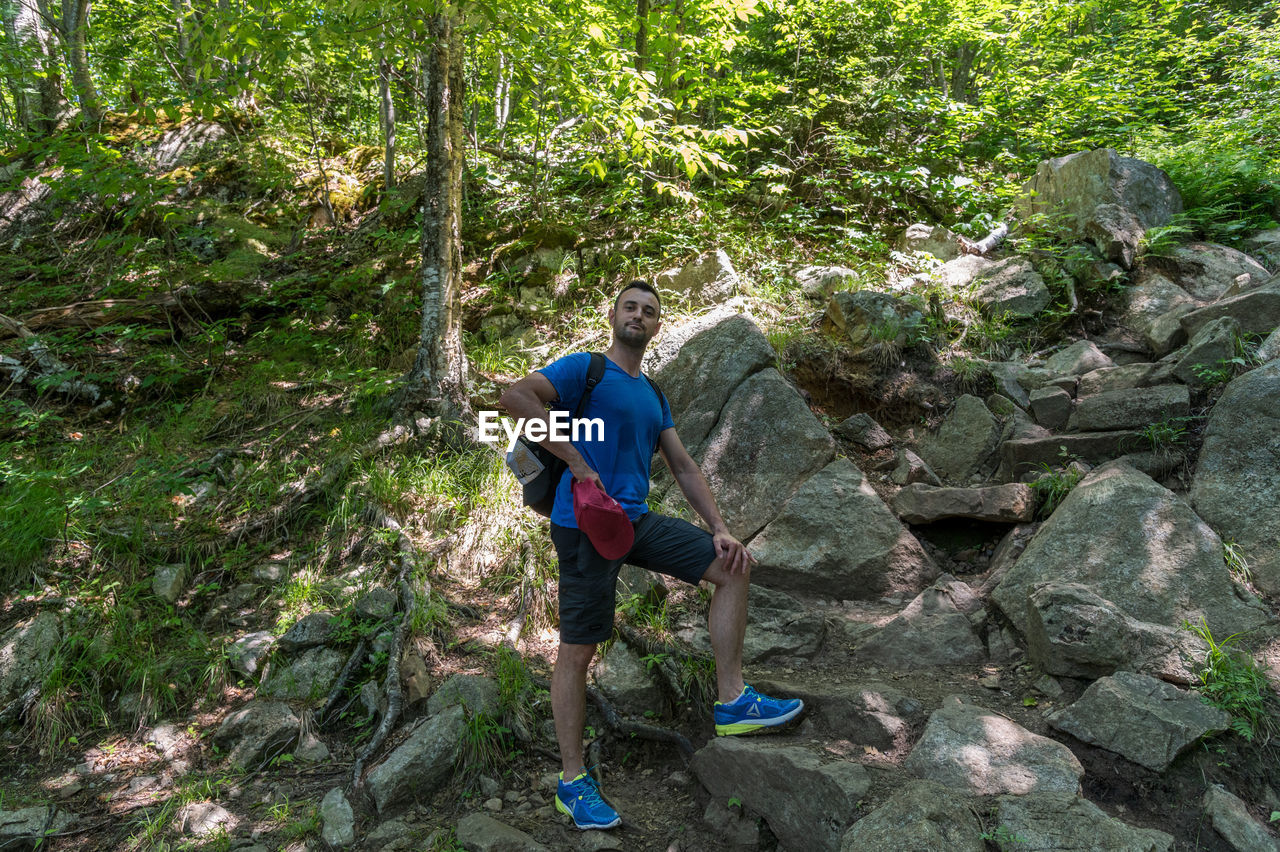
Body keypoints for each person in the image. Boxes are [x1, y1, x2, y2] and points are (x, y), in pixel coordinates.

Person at [499, 280, 803, 831]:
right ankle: (572, 783)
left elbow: (684, 467)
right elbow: (515, 397)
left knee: (732, 568)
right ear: (613, 315)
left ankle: (732, 701)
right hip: (584, 524)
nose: (638, 315)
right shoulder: (584, 370)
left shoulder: (654, 394)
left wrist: (719, 528)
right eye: (630, 307)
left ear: (658, 325)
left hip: (635, 521)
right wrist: (578, 463)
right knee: (578, 649)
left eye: (649, 311)